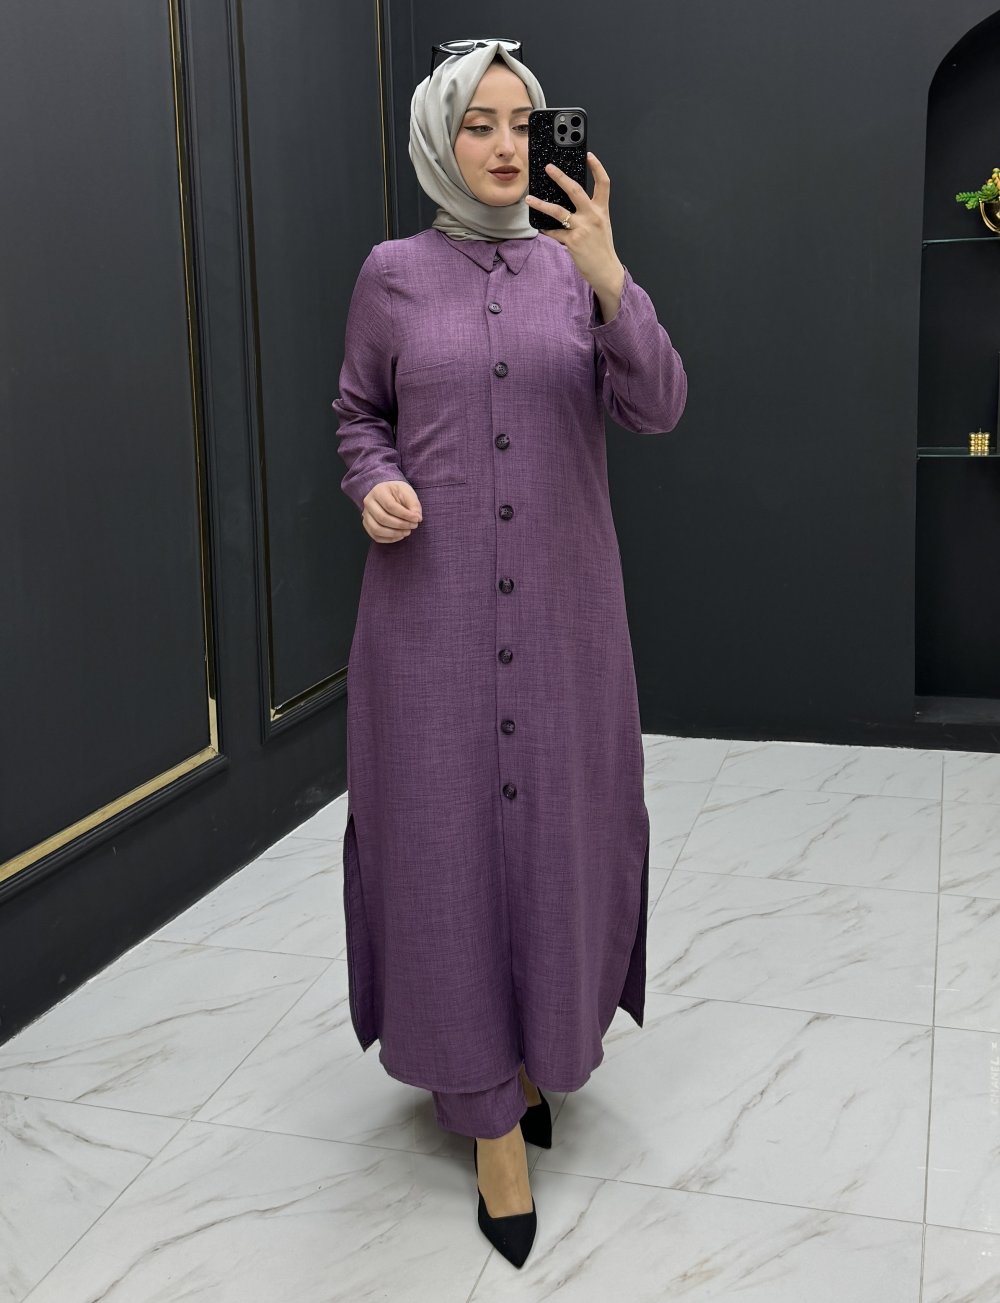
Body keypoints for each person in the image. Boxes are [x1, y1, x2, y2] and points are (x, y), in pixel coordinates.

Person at [332, 38, 687, 1268]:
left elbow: (656, 404)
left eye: (521, 124)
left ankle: (537, 1051)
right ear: (439, 137)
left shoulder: (576, 267)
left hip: (563, 625)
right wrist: (373, 482)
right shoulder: (390, 275)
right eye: (476, 122)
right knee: (439, 850)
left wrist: (609, 275)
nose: (501, 145)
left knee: (556, 841)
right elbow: (357, 413)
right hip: (423, 623)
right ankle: (486, 1115)